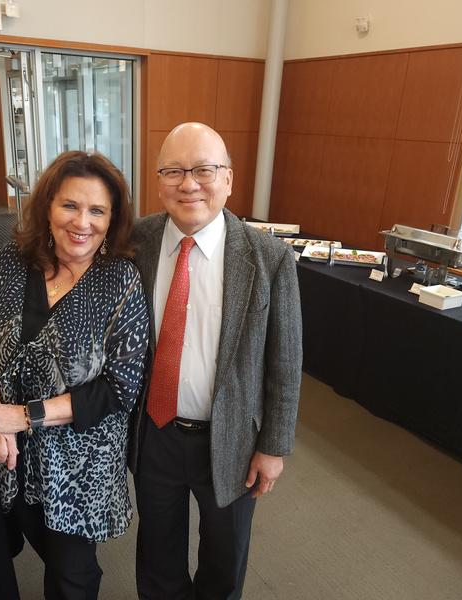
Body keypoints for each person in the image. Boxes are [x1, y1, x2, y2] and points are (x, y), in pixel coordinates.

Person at [0, 150, 149, 600]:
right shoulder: (10, 261)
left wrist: (20, 417)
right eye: (70, 205)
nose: (82, 222)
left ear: (112, 220)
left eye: (97, 211)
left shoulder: (120, 282)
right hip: (1, 451)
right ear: (47, 207)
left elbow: (118, 390)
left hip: (76, 465)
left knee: (73, 574)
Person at [129, 122, 302, 599]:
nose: (189, 184)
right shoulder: (135, 242)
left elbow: (285, 363)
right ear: (158, 180)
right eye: (174, 171)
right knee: (157, 553)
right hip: (154, 432)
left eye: (204, 170)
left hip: (233, 440)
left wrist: (274, 447)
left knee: (224, 560)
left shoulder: (269, 258)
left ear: (228, 178)